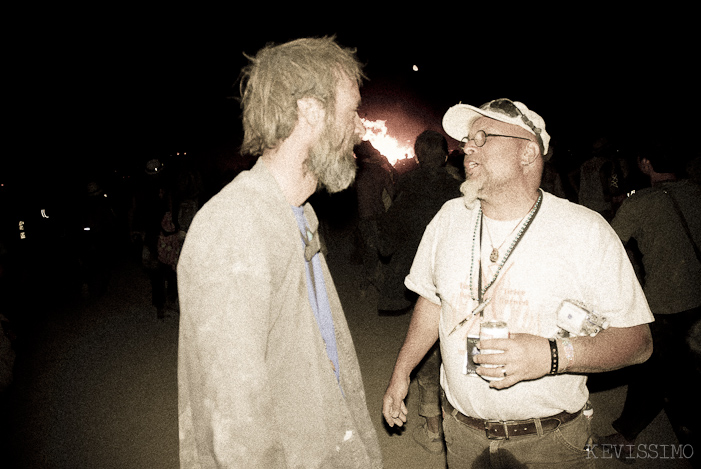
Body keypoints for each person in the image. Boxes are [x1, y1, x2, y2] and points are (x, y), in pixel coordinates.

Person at [382, 98, 654, 468]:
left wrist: (550, 356)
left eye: (483, 136)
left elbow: (637, 343)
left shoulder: (585, 231)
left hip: (552, 443)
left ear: (527, 153)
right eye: (466, 140)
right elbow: (432, 300)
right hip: (462, 434)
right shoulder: (449, 218)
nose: (467, 148)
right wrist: (402, 373)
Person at [177, 37, 382, 468]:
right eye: (352, 111)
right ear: (309, 110)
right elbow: (237, 424)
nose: (361, 128)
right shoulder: (236, 226)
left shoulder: (298, 214)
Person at [603, 145, 701, 464]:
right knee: (682, 369)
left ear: (646, 163)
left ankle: (627, 438)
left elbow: (609, 246)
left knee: (651, 369)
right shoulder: (697, 192)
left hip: (666, 302)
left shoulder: (641, 202)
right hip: (698, 298)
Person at [378, 130, 461, 453]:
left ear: (416, 155)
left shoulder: (408, 185)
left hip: (418, 278)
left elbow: (388, 236)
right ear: (443, 155)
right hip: (455, 279)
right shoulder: (457, 190)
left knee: (425, 350)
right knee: (451, 346)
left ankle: (433, 429)